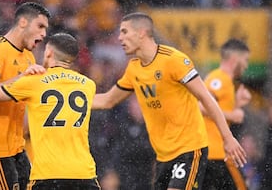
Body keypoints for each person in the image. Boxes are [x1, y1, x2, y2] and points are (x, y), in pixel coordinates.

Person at [91, 12, 247, 190]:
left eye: (124, 32)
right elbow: (107, 100)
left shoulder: (174, 60)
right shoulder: (134, 69)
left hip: (189, 149)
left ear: (141, 33)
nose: (120, 38)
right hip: (163, 156)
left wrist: (228, 138)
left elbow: (206, 98)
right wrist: (71, 96)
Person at [0, 33, 100, 190]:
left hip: (48, 176)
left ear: (49, 53)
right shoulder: (89, 85)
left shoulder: (34, 81)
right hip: (84, 174)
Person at [0, 2, 50, 190]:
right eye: (40, 26)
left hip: (17, 147)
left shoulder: (29, 58)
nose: (44, 34)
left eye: (46, 29)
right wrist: (23, 78)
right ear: (23, 22)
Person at [201, 39, 251, 190]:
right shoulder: (218, 79)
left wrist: (237, 104)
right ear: (235, 59)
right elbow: (200, 106)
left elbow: (216, 111)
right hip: (217, 153)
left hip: (215, 154)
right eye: (245, 60)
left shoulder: (227, 82)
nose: (246, 65)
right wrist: (233, 115)